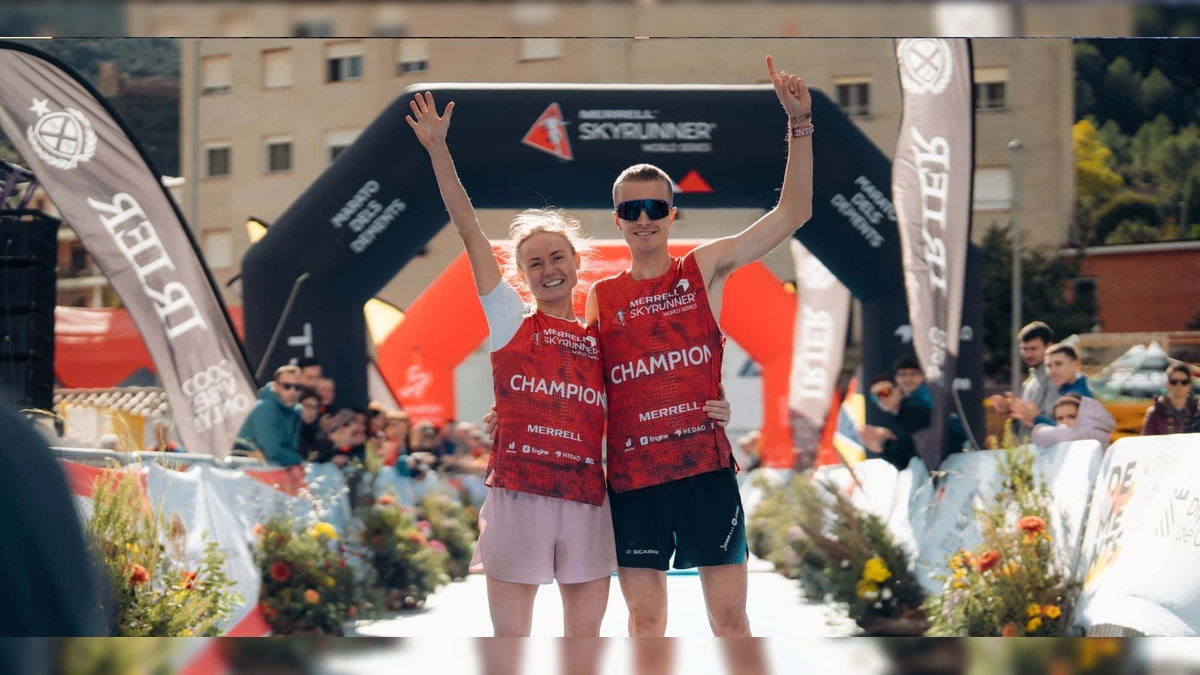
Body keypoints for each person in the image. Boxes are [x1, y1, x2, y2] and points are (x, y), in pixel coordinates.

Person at [407, 90, 732, 639]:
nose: (547, 269)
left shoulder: (600, 336)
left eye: (557, 257)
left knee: (584, 650)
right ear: (523, 274)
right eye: (534, 262)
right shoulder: (509, 318)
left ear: (577, 262)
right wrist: (439, 151)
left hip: (586, 500)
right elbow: (468, 231)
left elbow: (650, 378)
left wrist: (712, 402)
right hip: (519, 494)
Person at [583, 54, 811, 642]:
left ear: (670, 213)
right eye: (631, 210)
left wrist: (799, 126)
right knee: (645, 621)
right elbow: (576, 384)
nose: (644, 219)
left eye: (654, 208)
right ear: (618, 221)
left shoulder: (702, 268)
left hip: (705, 470)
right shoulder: (600, 298)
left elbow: (793, 213)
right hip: (633, 479)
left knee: (730, 621)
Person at [989, 321, 1058, 439]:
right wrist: (1011, 411)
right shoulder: (1029, 381)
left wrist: (1034, 418)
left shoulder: (1055, 377)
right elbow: (1023, 428)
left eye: (1033, 349)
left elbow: (1058, 424)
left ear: (1049, 346)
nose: (1028, 354)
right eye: (1024, 349)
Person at [1009, 343, 1091, 431]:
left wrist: (1036, 419)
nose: (1052, 371)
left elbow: (1073, 433)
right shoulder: (1062, 389)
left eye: (1058, 364)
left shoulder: (1084, 394)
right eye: (1049, 366)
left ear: (1075, 365)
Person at [235, 365, 304, 467]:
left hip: (271, 471)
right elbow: (272, 452)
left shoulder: (296, 411)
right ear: (276, 387)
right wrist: (300, 461)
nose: (292, 392)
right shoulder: (265, 408)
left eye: (297, 387)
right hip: (242, 470)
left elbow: (293, 448)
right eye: (287, 386)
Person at [1032, 393, 1116, 450]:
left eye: (1071, 417)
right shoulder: (1065, 439)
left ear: (1085, 416)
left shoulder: (1092, 435)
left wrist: (1037, 430)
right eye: (1060, 419)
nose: (1065, 422)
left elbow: (1064, 433)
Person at [1141, 364, 1198, 436]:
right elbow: (1147, 440)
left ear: (1190, 385)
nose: (1179, 385)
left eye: (1184, 382)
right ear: (1167, 384)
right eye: (1174, 382)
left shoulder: (1197, 411)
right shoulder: (1156, 412)